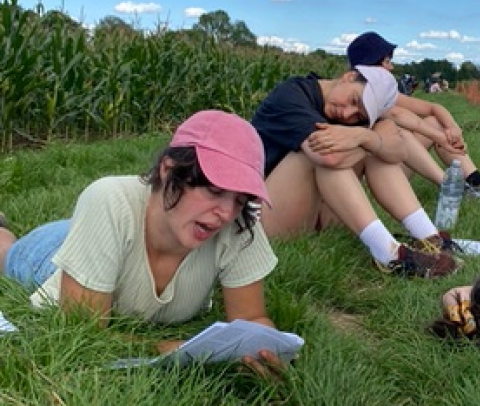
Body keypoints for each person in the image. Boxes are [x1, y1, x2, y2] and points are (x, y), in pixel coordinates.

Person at [0, 110, 284, 375]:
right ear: (169, 168)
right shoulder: (108, 200)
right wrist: (167, 348)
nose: (226, 213)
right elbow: (83, 333)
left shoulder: (239, 225)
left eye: (240, 199)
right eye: (214, 190)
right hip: (57, 252)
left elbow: (252, 318)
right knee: (8, 252)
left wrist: (262, 350)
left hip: (109, 242)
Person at [250, 64, 460, 278]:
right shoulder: (292, 95)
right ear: (348, 77)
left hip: (318, 216)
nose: (347, 114)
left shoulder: (357, 118)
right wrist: (369, 139)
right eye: (353, 100)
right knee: (323, 154)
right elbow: (329, 156)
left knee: (377, 150)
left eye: (358, 116)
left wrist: (367, 138)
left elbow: (398, 151)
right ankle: (390, 255)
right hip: (264, 218)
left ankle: (430, 238)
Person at [347, 31, 480, 204]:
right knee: (404, 134)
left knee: (435, 123)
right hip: (368, 177)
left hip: (384, 165)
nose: (391, 67)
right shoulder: (355, 96)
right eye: (387, 61)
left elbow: (433, 108)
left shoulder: (378, 92)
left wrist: (453, 129)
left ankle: (476, 181)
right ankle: (457, 189)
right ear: (370, 64)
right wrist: (440, 137)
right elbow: (396, 114)